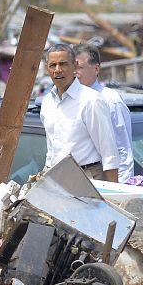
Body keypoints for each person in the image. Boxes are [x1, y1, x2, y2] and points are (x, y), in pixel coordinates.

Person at [40, 43, 119, 182]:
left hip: (88, 178)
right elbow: (52, 150)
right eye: (53, 65)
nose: (57, 70)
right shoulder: (47, 103)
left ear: (75, 66)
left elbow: (109, 154)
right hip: (56, 180)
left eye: (63, 64)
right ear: (47, 69)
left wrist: (113, 195)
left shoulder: (91, 100)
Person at [73, 43, 133, 183]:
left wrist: (121, 189)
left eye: (80, 67)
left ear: (96, 68)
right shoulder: (70, 100)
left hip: (105, 183)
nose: (75, 72)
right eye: (73, 68)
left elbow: (123, 149)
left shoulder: (111, 100)